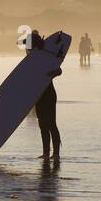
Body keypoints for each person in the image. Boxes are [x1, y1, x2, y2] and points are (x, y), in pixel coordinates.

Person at [28, 31, 62, 163]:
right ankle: (46, 153)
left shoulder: (45, 57)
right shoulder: (30, 59)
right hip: (39, 95)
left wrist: (52, 73)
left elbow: (59, 70)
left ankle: (56, 154)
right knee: (42, 124)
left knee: (51, 124)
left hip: (48, 94)